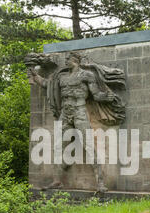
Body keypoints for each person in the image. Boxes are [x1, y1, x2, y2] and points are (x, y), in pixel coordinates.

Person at [29, 52, 118, 193]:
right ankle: (57, 181)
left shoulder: (86, 75)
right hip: (65, 113)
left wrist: (108, 97)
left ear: (75, 60)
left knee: (88, 145)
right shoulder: (62, 77)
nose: (65, 61)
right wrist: (36, 76)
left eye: (68, 59)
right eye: (65, 59)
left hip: (79, 111)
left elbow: (96, 95)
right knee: (58, 147)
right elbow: (48, 85)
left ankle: (100, 183)